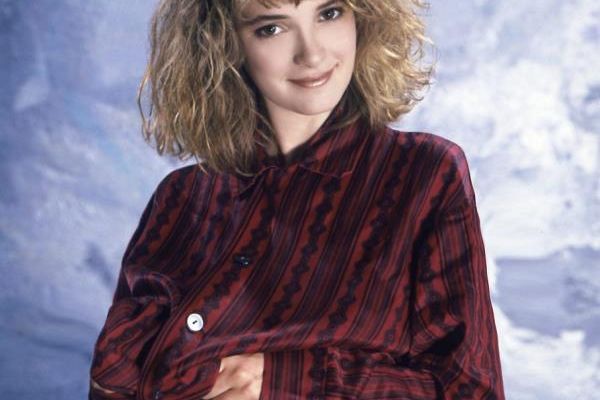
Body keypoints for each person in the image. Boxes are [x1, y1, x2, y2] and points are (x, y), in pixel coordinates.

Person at [88, 0, 506, 399]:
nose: (312, 53)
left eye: (329, 12)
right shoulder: (179, 198)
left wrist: (283, 382)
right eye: (271, 27)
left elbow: (470, 391)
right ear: (222, 45)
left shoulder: (425, 174)